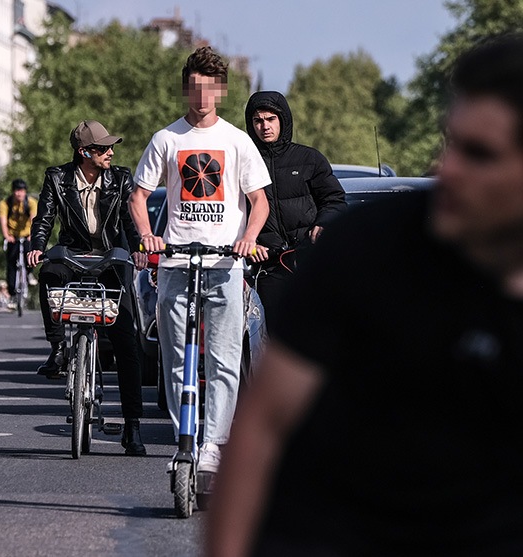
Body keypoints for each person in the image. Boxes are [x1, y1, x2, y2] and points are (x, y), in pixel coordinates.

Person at [208, 34, 523, 556]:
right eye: (451, 142)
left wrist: (319, 226)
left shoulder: (308, 162)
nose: (447, 170)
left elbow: (330, 198)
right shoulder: (368, 251)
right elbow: (261, 428)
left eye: (480, 154)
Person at [130, 46, 270, 473]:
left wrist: (247, 238)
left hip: (224, 265)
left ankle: (214, 446)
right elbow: (138, 196)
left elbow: (259, 201)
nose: (202, 97)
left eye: (210, 89)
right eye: (195, 88)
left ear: (221, 92)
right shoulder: (167, 139)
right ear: (186, 89)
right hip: (175, 263)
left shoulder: (237, 140)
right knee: (176, 359)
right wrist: (148, 236)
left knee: (225, 359)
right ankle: (185, 438)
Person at [27, 120, 147, 456]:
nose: (111, 152)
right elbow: (45, 217)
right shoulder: (57, 177)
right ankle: (57, 349)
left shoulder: (120, 178)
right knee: (50, 270)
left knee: (126, 339)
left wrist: (136, 247)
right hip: (73, 253)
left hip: (111, 258)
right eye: (103, 148)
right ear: (84, 152)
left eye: (111, 147)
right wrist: (38, 244)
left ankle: (132, 426)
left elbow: (129, 220)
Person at [244, 91, 346, 332]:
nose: (265, 126)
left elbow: (334, 200)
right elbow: (234, 214)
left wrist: (324, 224)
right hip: (267, 270)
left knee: (318, 333)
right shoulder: (244, 162)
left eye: (271, 119)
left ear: (283, 120)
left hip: (309, 263)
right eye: (258, 120)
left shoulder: (310, 159)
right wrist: (251, 243)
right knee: (276, 339)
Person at [0, 179, 38, 299]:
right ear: (13, 192)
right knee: (11, 262)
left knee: (30, 253)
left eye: (21, 191)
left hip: (27, 234)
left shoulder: (31, 203)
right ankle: (11, 292)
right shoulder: (6, 204)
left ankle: (29, 274)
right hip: (12, 236)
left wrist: (32, 234)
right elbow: (3, 221)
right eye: (17, 191)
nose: (19, 194)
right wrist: (7, 235)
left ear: (25, 192)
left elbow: (34, 219)